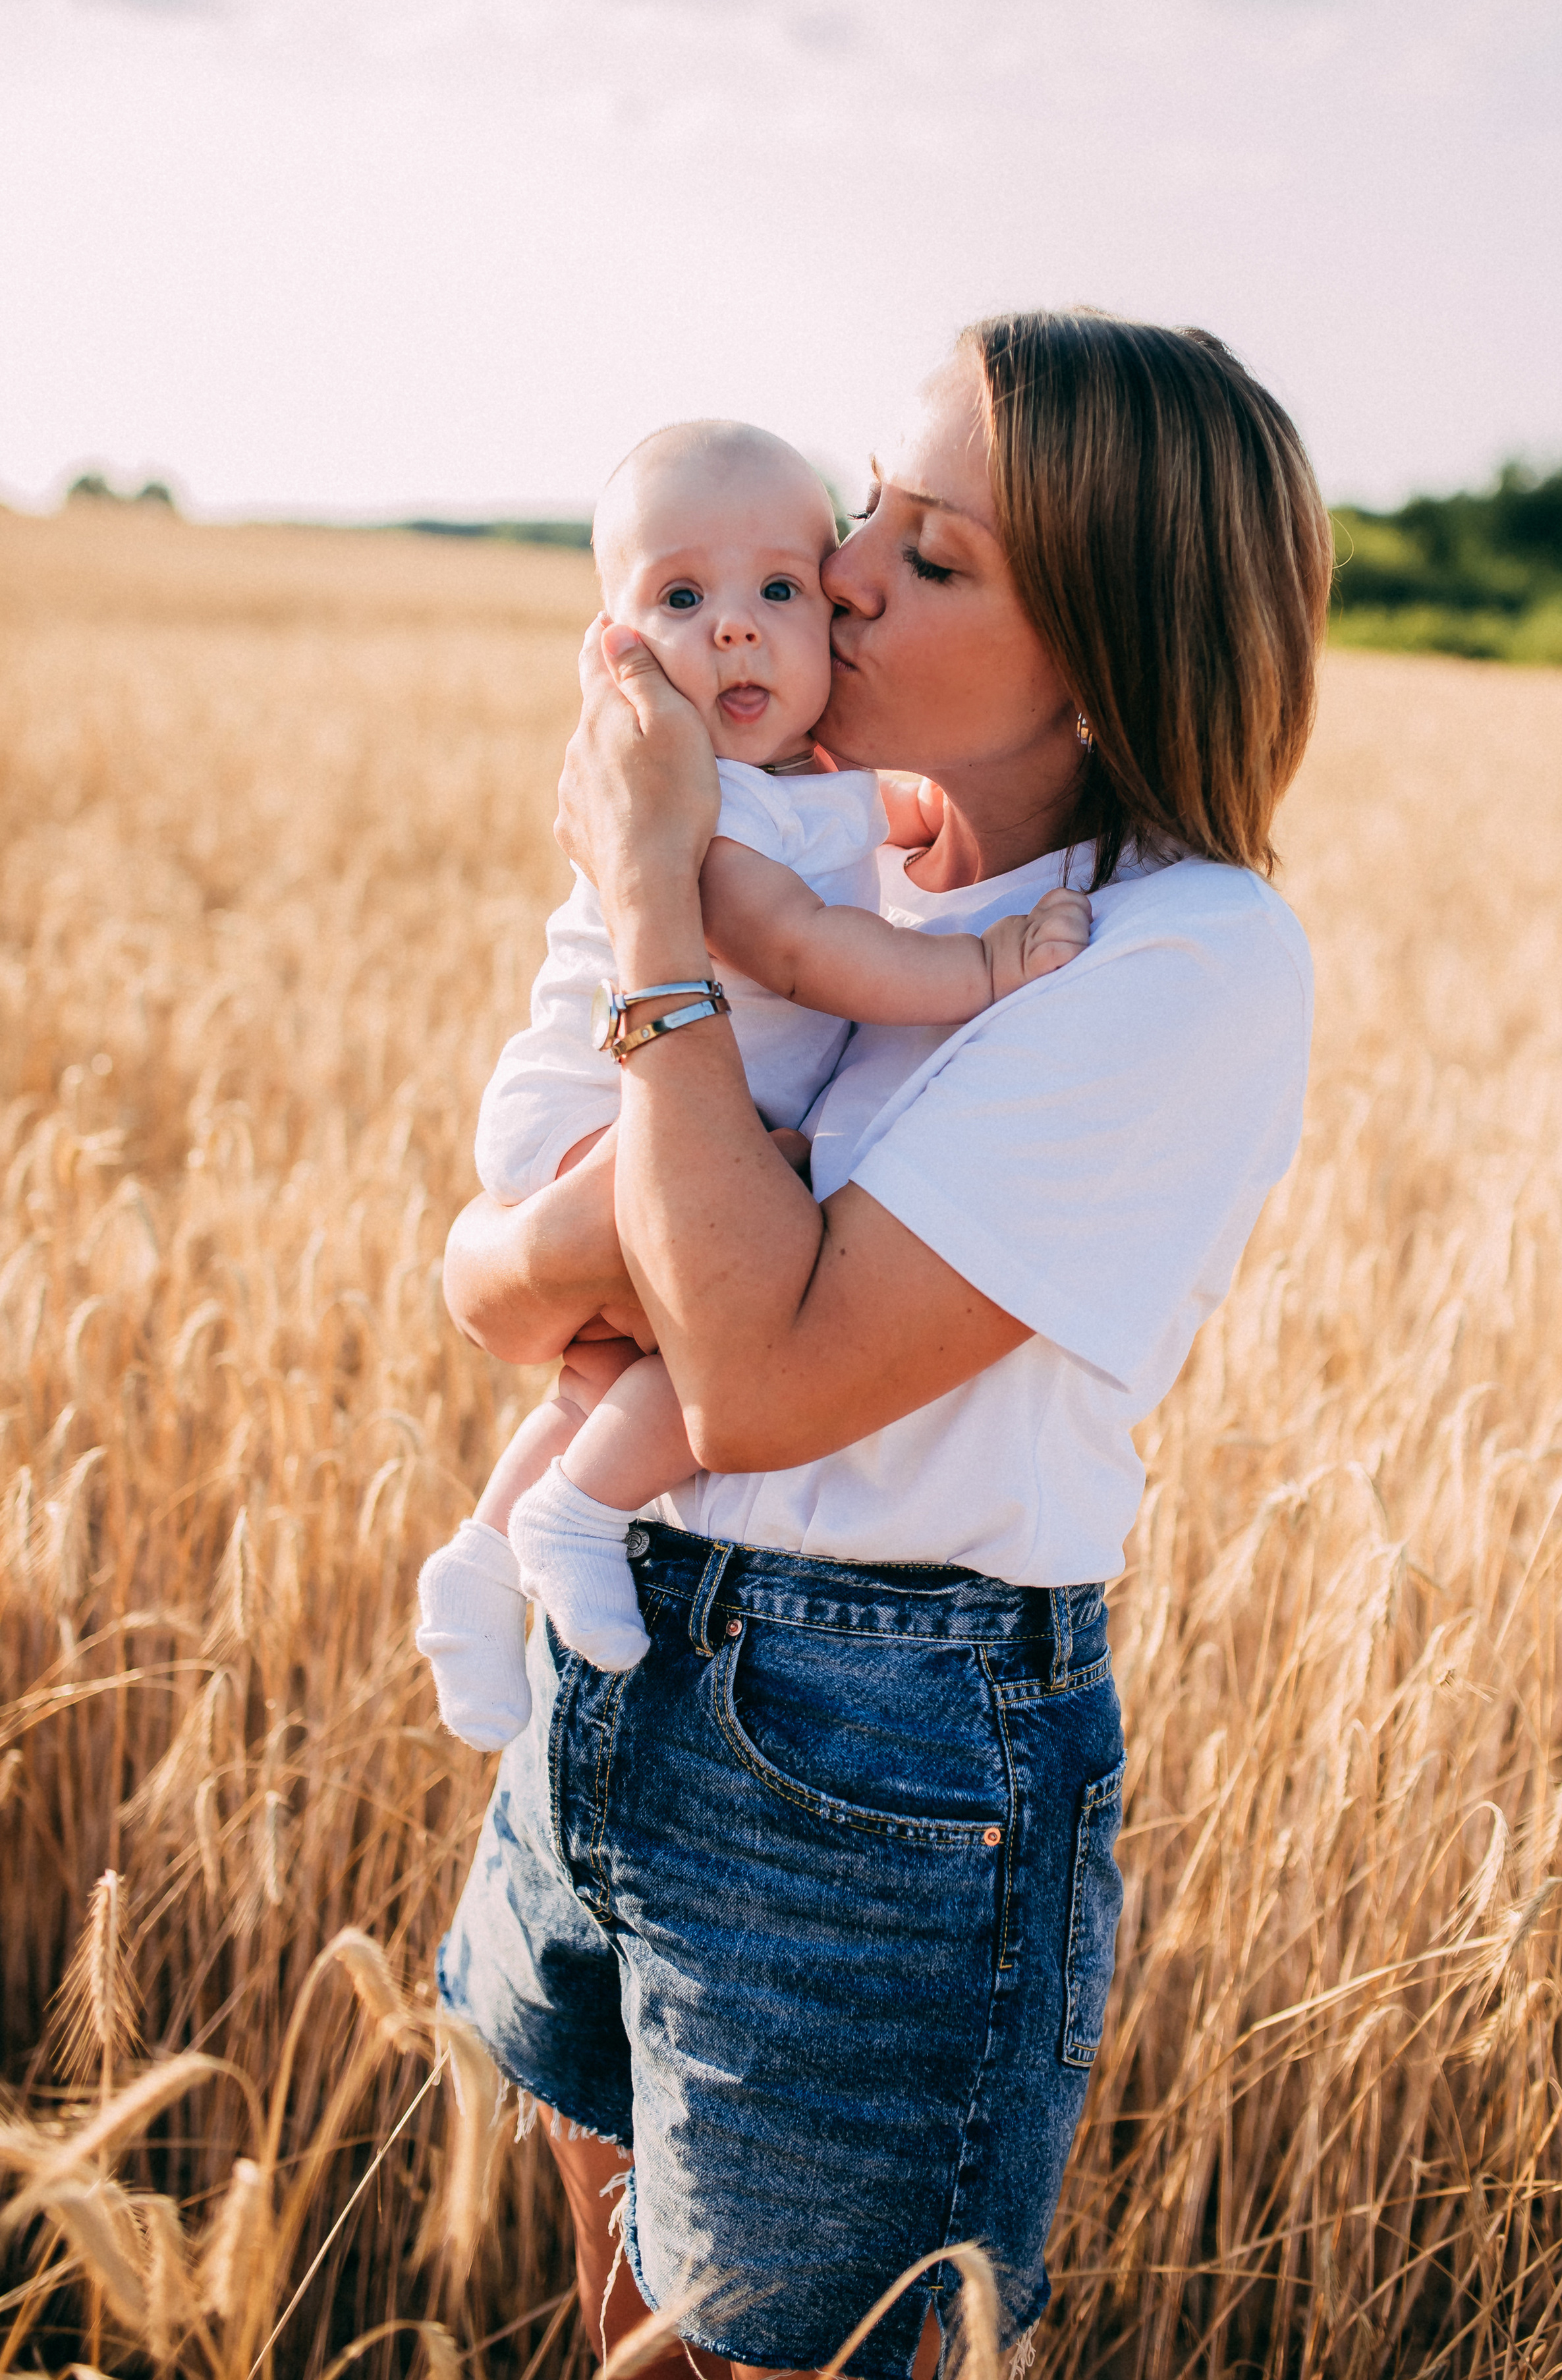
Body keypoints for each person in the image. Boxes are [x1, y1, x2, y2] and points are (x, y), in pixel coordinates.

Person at [435, 310, 1332, 2380]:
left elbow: (748, 1379)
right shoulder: (841, 856)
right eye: (866, 514)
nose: (831, 579)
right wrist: (628, 1152)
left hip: (872, 1763)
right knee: (617, 2312)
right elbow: (489, 1293)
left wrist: (656, 905)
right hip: (622, 1646)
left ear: (1107, 646)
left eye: (929, 559)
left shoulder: (1178, 963)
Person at [416, 419, 1088, 1740]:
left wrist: (930, 812)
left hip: (640, 1115)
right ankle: (576, 1508)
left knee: (606, 1361)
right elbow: (810, 948)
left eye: (777, 589)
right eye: (681, 597)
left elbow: (877, 818)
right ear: (613, 649)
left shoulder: (798, 785)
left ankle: (482, 1557)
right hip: (598, 1113)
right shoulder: (695, 809)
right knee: (720, 1290)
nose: (734, 629)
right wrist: (987, 963)